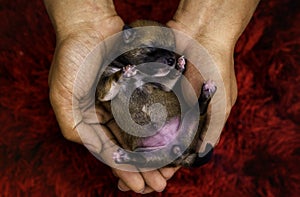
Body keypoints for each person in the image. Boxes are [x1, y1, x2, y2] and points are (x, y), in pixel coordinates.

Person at [44, 0, 260, 194]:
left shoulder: (150, 71)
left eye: (168, 52)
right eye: (152, 50)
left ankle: (197, 112)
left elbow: (168, 87)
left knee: (189, 119)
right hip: (144, 130)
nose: (163, 59)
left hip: (159, 122)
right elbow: (105, 93)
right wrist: (81, 23)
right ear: (126, 38)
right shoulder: (112, 69)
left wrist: (208, 36)